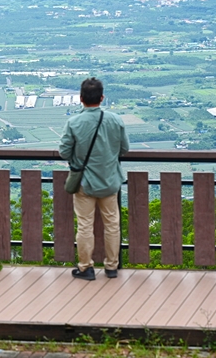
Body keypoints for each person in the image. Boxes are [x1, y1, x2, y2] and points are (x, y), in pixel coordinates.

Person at [59, 77, 129, 281]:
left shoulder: (73, 123)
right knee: (112, 224)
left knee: (85, 225)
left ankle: (85, 267)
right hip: (109, 180)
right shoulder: (115, 120)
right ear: (102, 97)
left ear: (81, 98)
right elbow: (124, 149)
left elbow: (64, 152)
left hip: (84, 183)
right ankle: (111, 267)